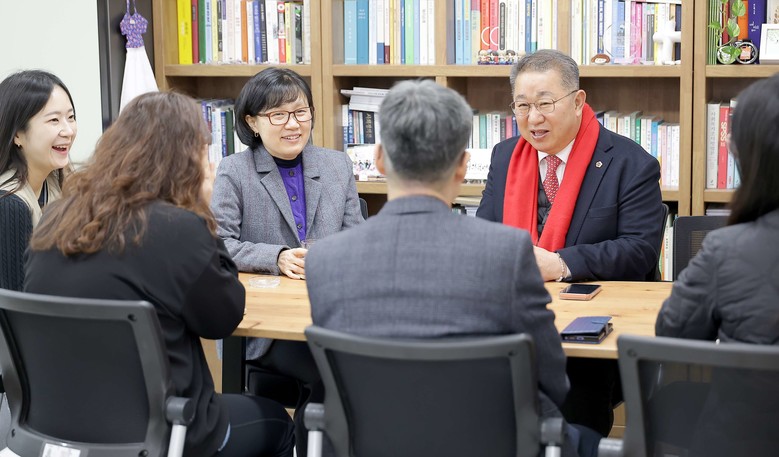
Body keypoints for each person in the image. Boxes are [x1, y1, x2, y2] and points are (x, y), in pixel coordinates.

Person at [306, 80, 600, 457]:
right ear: (462, 166)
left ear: (379, 160)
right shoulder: (508, 253)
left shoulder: (325, 259)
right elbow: (552, 379)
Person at [25, 92, 295, 457]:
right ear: (187, 159)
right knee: (277, 422)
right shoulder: (179, 228)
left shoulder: (56, 218)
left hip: (57, 425)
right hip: (166, 428)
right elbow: (223, 318)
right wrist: (202, 213)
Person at [475, 49, 665, 436]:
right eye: (522, 105)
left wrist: (561, 264)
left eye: (545, 104)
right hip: (513, 320)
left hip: (589, 337)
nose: (533, 118)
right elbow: (483, 235)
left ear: (578, 101)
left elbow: (639, 250)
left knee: (573, 408)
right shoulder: (504, 156)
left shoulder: (630, 163)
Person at [211, 67, 362, 455]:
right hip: (269, 331)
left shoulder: (336, 165)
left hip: (330, 315)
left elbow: (356, 240)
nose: (293, 125)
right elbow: (219, 245)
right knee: (333, 371)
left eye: (300, 112)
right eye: (278, 115)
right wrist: (275, 257)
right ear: (252, 122)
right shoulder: (235, 170)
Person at [654, 73, 779, 457]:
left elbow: (673, 335)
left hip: (744, 438)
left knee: (669, 400)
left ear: (749, 157)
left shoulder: (728, 249)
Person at [0, 70, 76, 291]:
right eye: (54, 120)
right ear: (17, 134)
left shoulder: (58, 180)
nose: (68, 131)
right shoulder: (9, 204)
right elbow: (14, 301)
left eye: (71, 117)